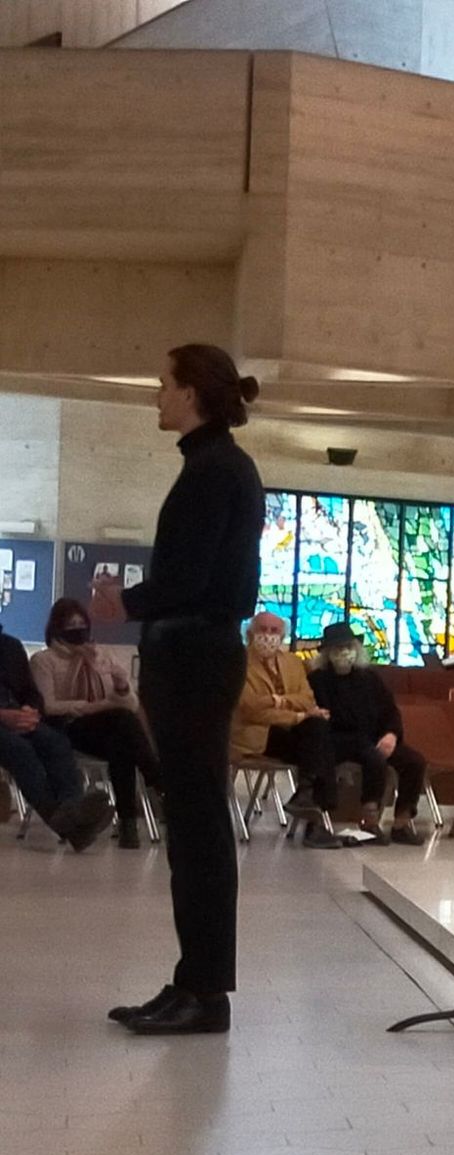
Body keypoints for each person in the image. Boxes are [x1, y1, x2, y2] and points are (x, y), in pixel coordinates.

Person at [90, 344, 265, 1036]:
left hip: (195, 656)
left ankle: (205, 992)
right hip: (194, 653)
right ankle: (194, 982)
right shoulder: (213, 465)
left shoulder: (215, 470)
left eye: (164, 385)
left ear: (192, 393)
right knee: (193, 825)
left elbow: (189, 579)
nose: (156, 396)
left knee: (198, 827)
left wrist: (123, 605)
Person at [30, 597, 159, 848]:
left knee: (122, 744)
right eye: (71, 625)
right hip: (69, 727)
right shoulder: (44, 661)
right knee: (122, 724)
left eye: (82, 624)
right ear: (57, 628)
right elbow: (49, 706)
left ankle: (129, 824)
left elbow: (130, 703)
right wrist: (93, 706)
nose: (78, 629)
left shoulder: (101, 656)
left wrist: (120, 684)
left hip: (107, 727)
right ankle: (156, 779)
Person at [309, 620, 426, 845]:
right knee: (374, 758)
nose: (344, 653)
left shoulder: (370, 678)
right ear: (327, 653)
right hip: (339, 740)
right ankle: (369, 821)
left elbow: (390, 711)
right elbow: (328, 719)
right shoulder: (318, 680)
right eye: (338, 648)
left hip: (375, 737)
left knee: (414, 761)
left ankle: (401, 823)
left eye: (348, 647)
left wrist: (391, 735)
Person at [231, 612, 342, 850]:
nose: (268, 636)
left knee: (318, 733)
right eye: (262, 630)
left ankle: (306, 794)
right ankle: (314, 816)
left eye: (274, 631)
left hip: (291, 733)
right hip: (256, 734)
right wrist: (295, 713)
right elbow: (250, 709)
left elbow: (307, 698)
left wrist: (276, 703)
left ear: (282, 636)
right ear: (249, 634)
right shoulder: (237, 662)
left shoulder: (292, 662)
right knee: (318, 740)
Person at [0, 623, 114, 851]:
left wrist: (30, 710)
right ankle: (70, 824)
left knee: (55, 742)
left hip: (18, 715)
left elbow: (31, 693)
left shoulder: (10, 646)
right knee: (20, 750)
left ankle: (73, 808)